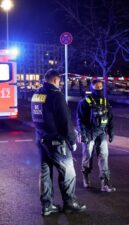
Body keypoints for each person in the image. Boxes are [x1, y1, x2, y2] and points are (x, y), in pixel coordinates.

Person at [31, 69, 86, 216]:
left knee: (45, 174)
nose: (60, 84)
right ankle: (70, 203)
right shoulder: (56, 95)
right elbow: (65, 121)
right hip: (56, 141)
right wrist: (72, 140)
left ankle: (47, 206)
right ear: (55, 80)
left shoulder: (37, 94)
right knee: (68, 173)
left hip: (41, 139)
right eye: (60, 81)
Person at [76, 79, 116, 192]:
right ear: (92, 88)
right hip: (89, 133)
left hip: (101, 133)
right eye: (96, 87)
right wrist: (82, 133)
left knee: (104, 157)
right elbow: (80, 119)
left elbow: (110, 118)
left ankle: (105, 183)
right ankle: (86, 177)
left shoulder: (105, 102)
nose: (99, 88)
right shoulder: (84, 102)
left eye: (100, 87)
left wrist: (111, 131)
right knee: (87, 157)